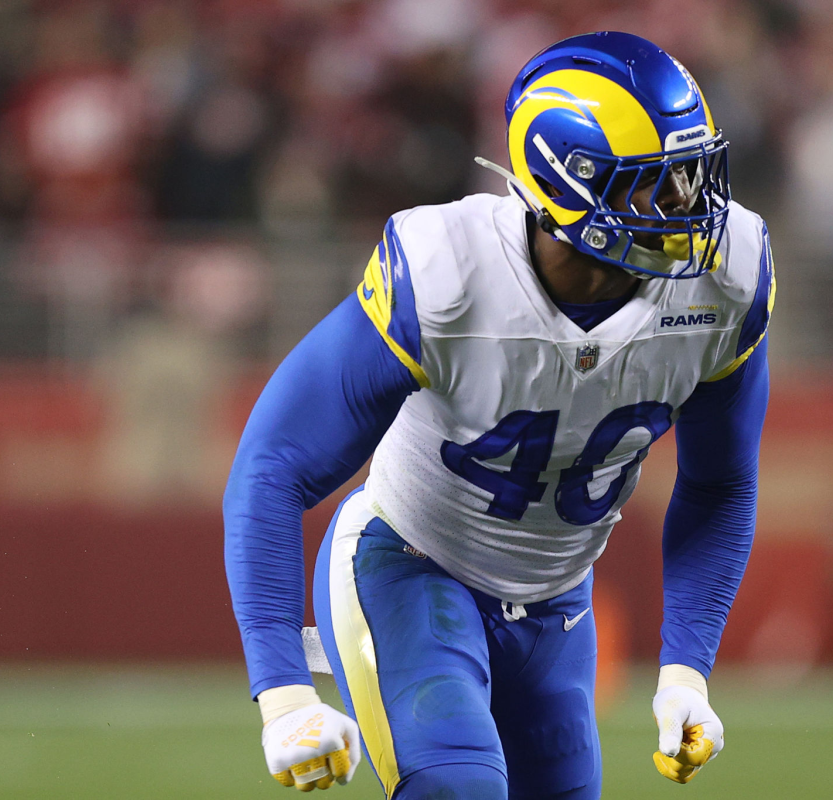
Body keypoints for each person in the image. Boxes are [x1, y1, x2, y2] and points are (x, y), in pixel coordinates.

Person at [224, 31, 774, 799]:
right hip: (410, 567)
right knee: (459, 788)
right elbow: (273, 463)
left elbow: (720, 485)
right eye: (658, 182)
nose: (691, 207)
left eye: (692, 175)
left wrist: (686, 670)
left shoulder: (725, 280)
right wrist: (282, 693)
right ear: (572, 183)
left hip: (557, 608)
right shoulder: (451, 274)